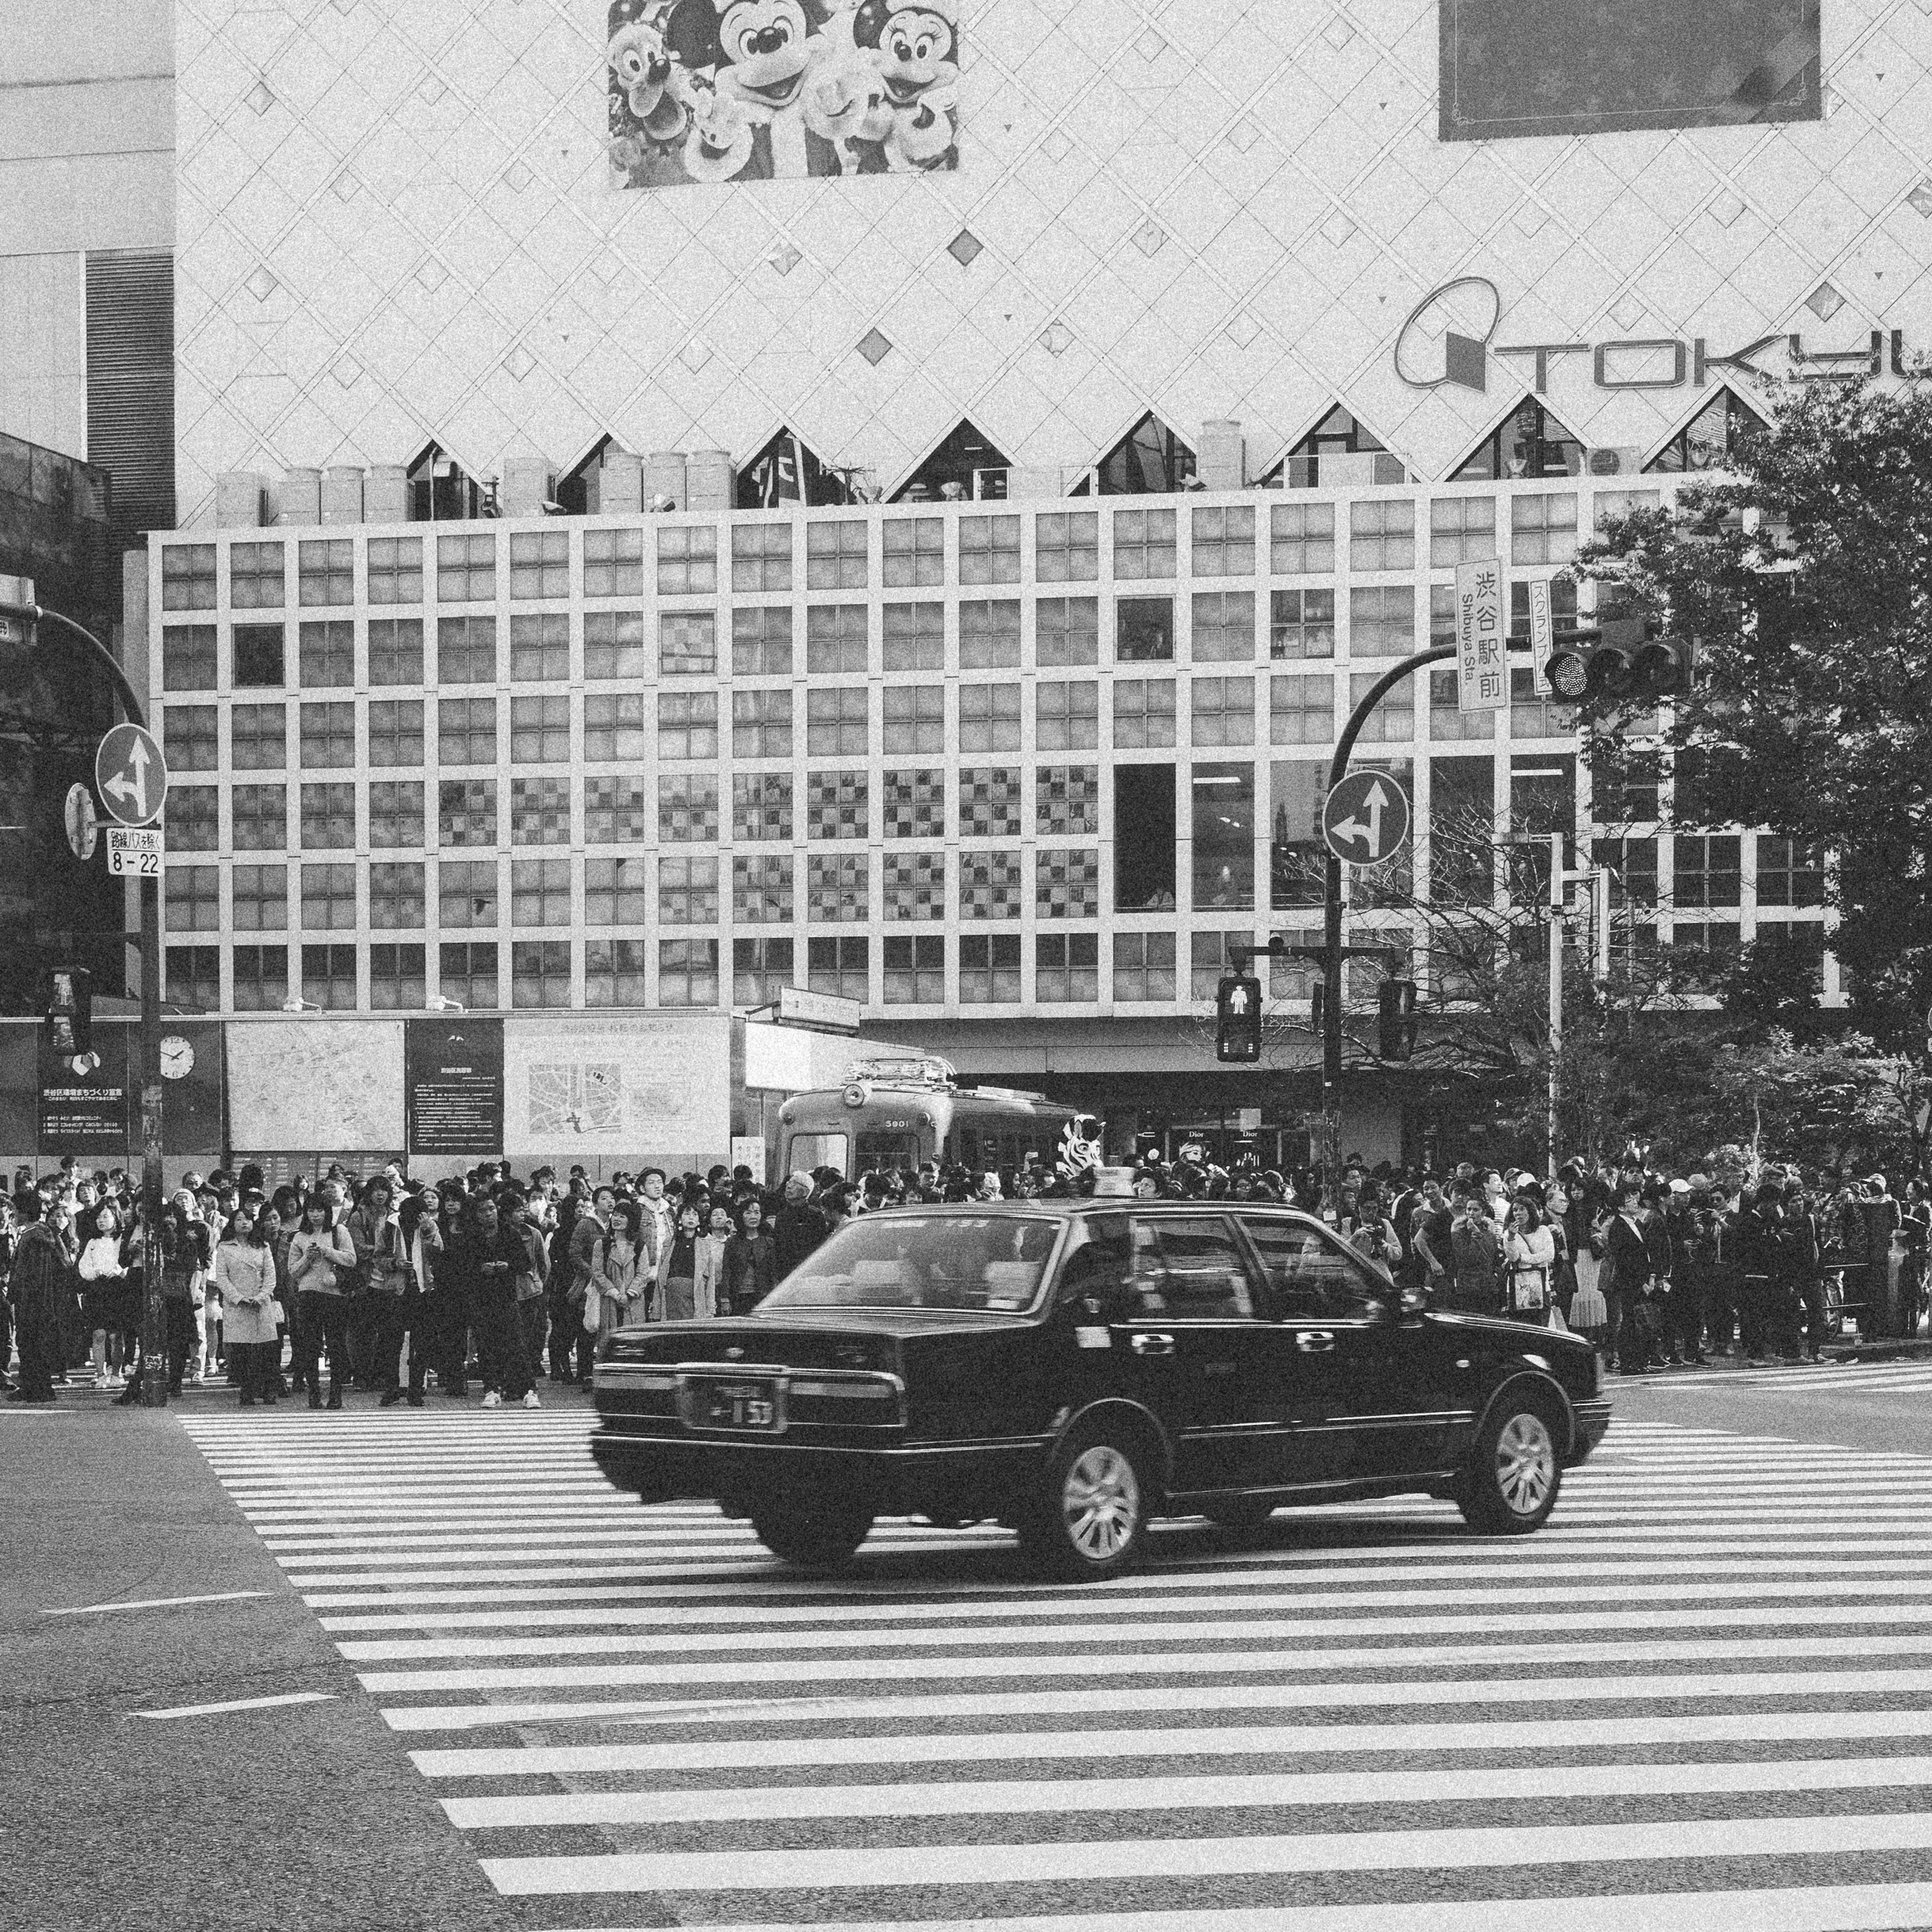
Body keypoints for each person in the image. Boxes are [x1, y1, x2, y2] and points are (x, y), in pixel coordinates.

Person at [448, 1196, 536, 1408]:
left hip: (507, 1296)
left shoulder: (509, 1233)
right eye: (483, 1211)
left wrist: (508, 1265)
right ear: (476, 1215)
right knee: (486, 1346)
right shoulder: (470, 1237)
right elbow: (460, 1266)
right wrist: (480, 1268)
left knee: (516, 1344)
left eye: (491, 1209)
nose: (488, 1214)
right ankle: (491, 1389)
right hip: (480, 1297)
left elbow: (525, 1261)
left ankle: (529, 1390)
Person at [289, 1196, 356, 1408]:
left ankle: (335, 1393)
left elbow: (351, 1259)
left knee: (336, 1345)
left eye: (320, 1210)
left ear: (327, 1211)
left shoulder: (339, 1232)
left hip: (335, 1295)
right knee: (310, 1345)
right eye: (311, 1211)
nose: (316, 1215)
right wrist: (307, 1257)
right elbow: (293, 1271)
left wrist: (327, 1252)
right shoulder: (299, 1237)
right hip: (309, 1295)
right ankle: (314, 1393)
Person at [6, 1191, 70, 1403]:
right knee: (28, 1344)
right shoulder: (35, 1233)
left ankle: (40, 1388)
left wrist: (28, 1299)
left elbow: (37, 1276)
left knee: (34, 1344)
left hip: (35, 1302)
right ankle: (30, 1385)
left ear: (24, 1211)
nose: (13, 1213)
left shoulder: (37, 1237)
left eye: (16, 1210)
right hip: (31, 1300)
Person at [216, 1203, 279, 1406]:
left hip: (261, 1303)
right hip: (237, 1305)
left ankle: (268, 1389)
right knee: (241, 1350)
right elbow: (222, 1278)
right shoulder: (225, 1247)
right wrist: (238, 1298)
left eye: (248, 1219)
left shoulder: (263, 1246)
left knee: (265, 1349)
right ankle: (247, 1389)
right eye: (239, 1219)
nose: (244, 1223)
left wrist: (261, 1296)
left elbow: (270, 1275)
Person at [77, 1201, 135, 1391]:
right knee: (99, 1333)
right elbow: (83, 1266)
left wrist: (118, 1271)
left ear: (115, 1218)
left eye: (105, 1216)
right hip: (97, 1290)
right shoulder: (93, 1243)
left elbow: (128, 1264)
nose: (101, 1221)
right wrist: (94, 1273)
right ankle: (100, 1374)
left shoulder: (123, 1241)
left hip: (117, 1289)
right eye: (98, 1217)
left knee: (115, 1336)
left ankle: (116, 1373)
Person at [398, 1188, 447, 1404]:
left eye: (418, 1217)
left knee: (423, 1342)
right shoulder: (393, 1227)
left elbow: (437, 1251)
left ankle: (416, 1387)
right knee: (394, 1341)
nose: (413, 1221)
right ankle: (393, 1386)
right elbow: (379, 1255)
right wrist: (394, 1263)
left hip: (423, 1289)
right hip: (398, 1289)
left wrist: (427, 1229)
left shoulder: (428, 1226)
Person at [1500, 1198, 1556, 1325]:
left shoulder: (1543, 1230)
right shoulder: (1508, 1234)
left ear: (1530, 1211)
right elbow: (1513, 1257)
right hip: (1518, 1286)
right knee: (1521, 1327)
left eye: (1522, 1209)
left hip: (1540, 1285)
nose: (1518, 1213)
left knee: (1541, 1326)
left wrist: (1524, 1258)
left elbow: (1549, 1255)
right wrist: (1511, 1237)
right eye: (1514, 1210)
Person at [721, 1196, 779, 1314]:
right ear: (741, 1216)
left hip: (763, 1297)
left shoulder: (768, 1242)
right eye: (748, 1213)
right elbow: (727, 1271)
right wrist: (725, 1299)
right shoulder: (732, 1242)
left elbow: (773, 1273)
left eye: (757, 1213)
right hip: (738, 1297)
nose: (753, 1217)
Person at [656, 1201, 708, 1321]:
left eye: (695, 1215)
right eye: (687, 1214)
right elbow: (661, 1274)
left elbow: (710, 1279)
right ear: (679, 1218)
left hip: (695, 1294)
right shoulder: (670, 1243)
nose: (691, 1217)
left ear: (699, 1220)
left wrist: (710, 1309)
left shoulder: (705, 1244)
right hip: (671, 1294)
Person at [773, 1173, 829, 1276]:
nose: (789, 1186)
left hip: (808, 1273)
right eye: (789, 1182)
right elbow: (778, 1247)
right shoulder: (782, 1215)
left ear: (805, 1192)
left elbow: (819, 1249)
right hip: (785, 1274)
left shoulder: (816, 1215)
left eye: (795, 1183)